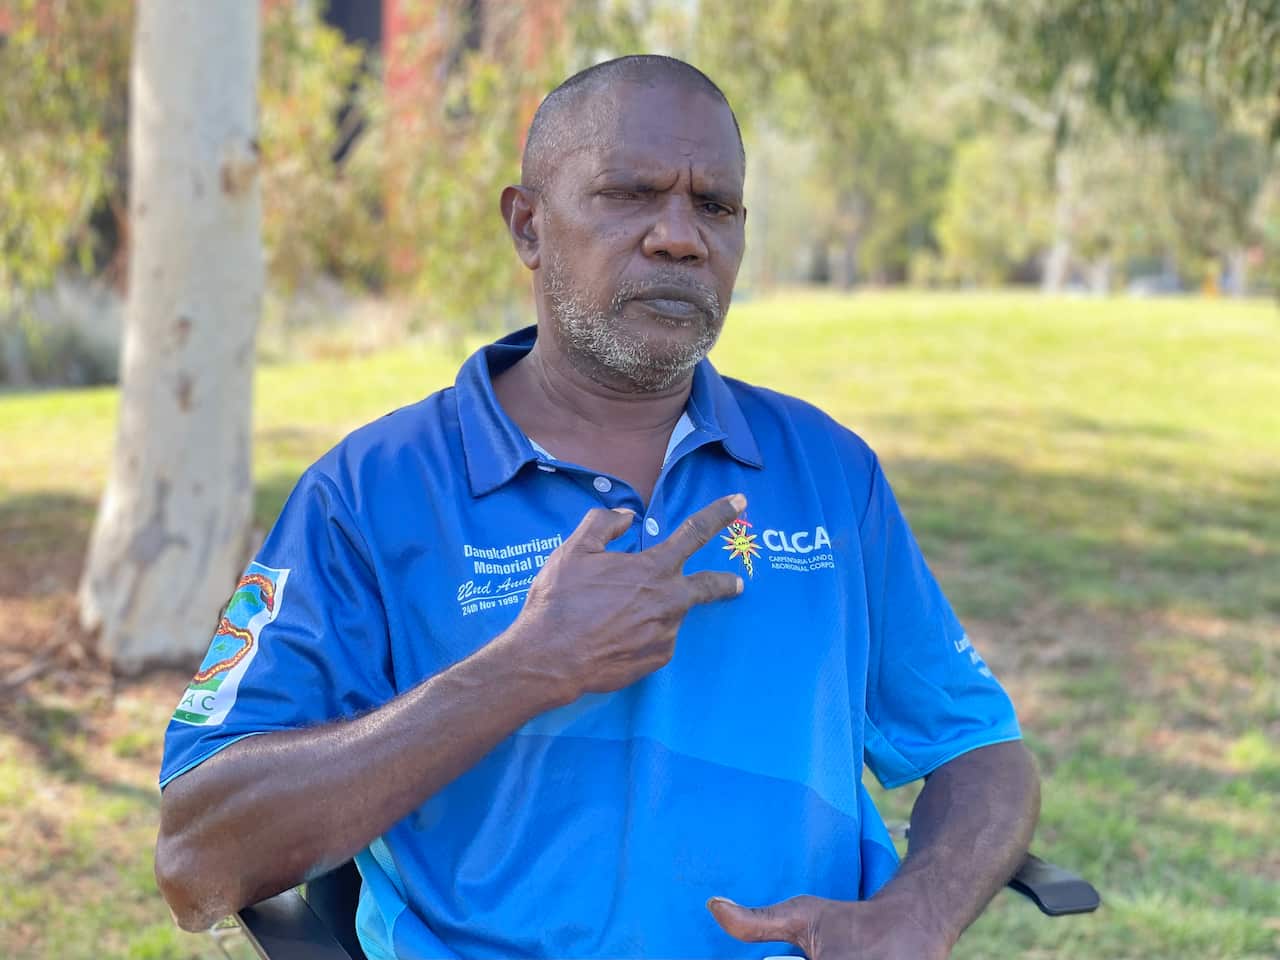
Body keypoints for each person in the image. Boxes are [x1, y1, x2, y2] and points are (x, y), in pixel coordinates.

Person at [156, 55, 1039, 960]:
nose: (680, 238)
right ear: (528, 225)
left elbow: (980, 748)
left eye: (717, 207)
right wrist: (524, 670)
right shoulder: (371, 494)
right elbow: (197, 856)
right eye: (629, 194)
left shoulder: (827, 472)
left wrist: (918, 910)